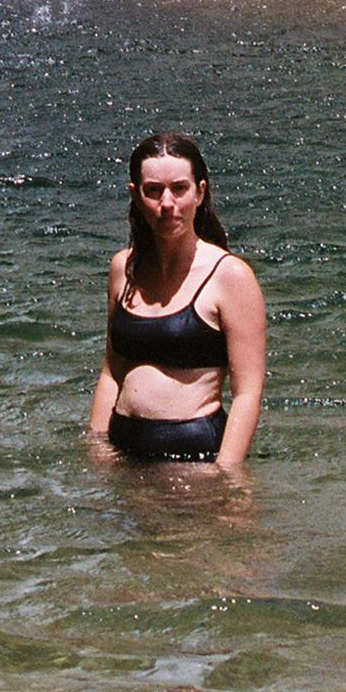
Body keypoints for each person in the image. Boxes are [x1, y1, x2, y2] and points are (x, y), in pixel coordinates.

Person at [87, 127, 266, 471]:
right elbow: (112, 370)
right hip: (123, 455)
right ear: (136, 196)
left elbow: (247, 394)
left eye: (179, 189)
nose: (167, 204)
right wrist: (97, 447)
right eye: (153, 191)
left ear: (200, 193)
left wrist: (227, 475)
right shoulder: (123, 268)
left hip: (195, 462)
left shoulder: (231, 276)